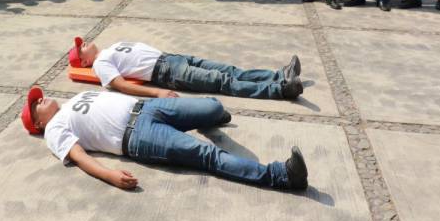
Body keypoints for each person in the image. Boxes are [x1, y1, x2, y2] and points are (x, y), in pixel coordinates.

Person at [20, 86, 309, 192]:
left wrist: (155, 95)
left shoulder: (76, 98)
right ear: (39, 123)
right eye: (37, 105)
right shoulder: (54, 130)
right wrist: (109, 176)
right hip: (138, 136)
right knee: (206, 154)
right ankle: (281, 176)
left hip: (147, 108)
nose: (42, 99)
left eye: (38, 97)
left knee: (213, 107)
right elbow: (80, 157)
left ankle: (207, 116)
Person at [70, 35, 305, 102]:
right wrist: (157, 93)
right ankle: (280, 90)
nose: (86, 43)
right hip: (167, 73)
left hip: (171, 59)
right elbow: (121, 86)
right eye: (82, 48)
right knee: (223, 82)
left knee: (229, 70)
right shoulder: (100, 64)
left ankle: (278, 75)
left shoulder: (110, 48)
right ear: (83, 62)